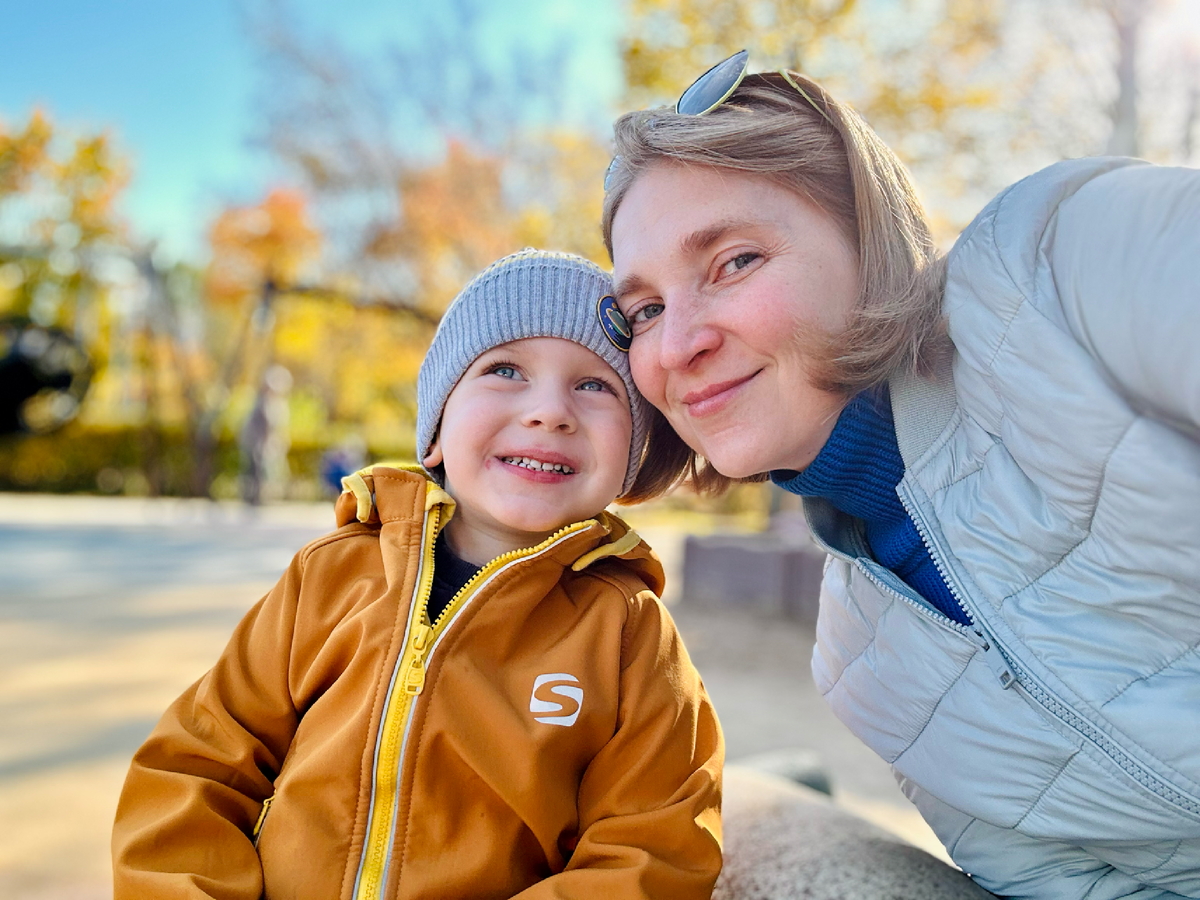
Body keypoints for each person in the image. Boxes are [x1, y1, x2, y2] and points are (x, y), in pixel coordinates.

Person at [602, 50, 1200, 900]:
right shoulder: (861, 668)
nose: (678, 341)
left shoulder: (1059, 263)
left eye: (734, 260)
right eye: (646, 310)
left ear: (867, 237)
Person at [112, 249, 724, 899]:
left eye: (594, 385)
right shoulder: (331, 575)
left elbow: (654, 850)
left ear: (630, 455)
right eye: (505, 369)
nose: (550, 411)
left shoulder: (630, 637)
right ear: (435, 431)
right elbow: (196, 765)